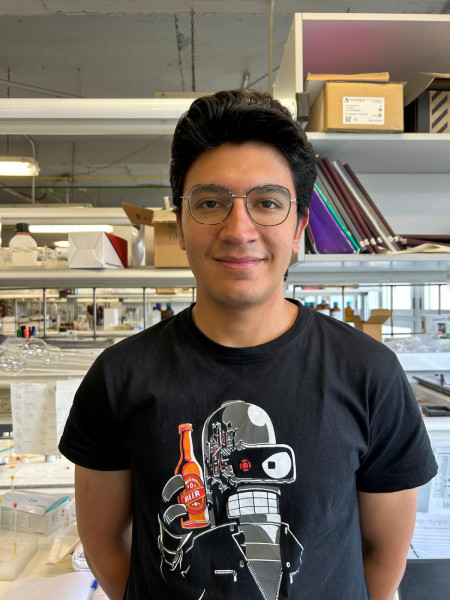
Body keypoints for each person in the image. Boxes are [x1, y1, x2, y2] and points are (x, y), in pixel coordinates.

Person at [59, 89, 437, 600]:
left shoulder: (369, 373)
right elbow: (105, 545)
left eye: (267, 203)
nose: (239, 230)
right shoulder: (119, 377)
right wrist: (174, 542)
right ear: (181, 224)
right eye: (210, 203)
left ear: (299, 227)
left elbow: (383, 561)